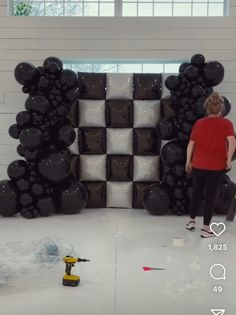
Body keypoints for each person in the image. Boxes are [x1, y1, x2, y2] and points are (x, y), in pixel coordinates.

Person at [185, 92, 236, 238]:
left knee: (196, 192)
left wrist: (188, 161)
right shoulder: (226, 123)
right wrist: (228, 159)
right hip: (216, 166)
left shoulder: (199, 123)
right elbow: (232, 141)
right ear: (221, 108)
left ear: (207, 108)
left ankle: (191, 221)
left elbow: (191, 144)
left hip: (199, 164)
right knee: (210, 195)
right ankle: (206, 228)